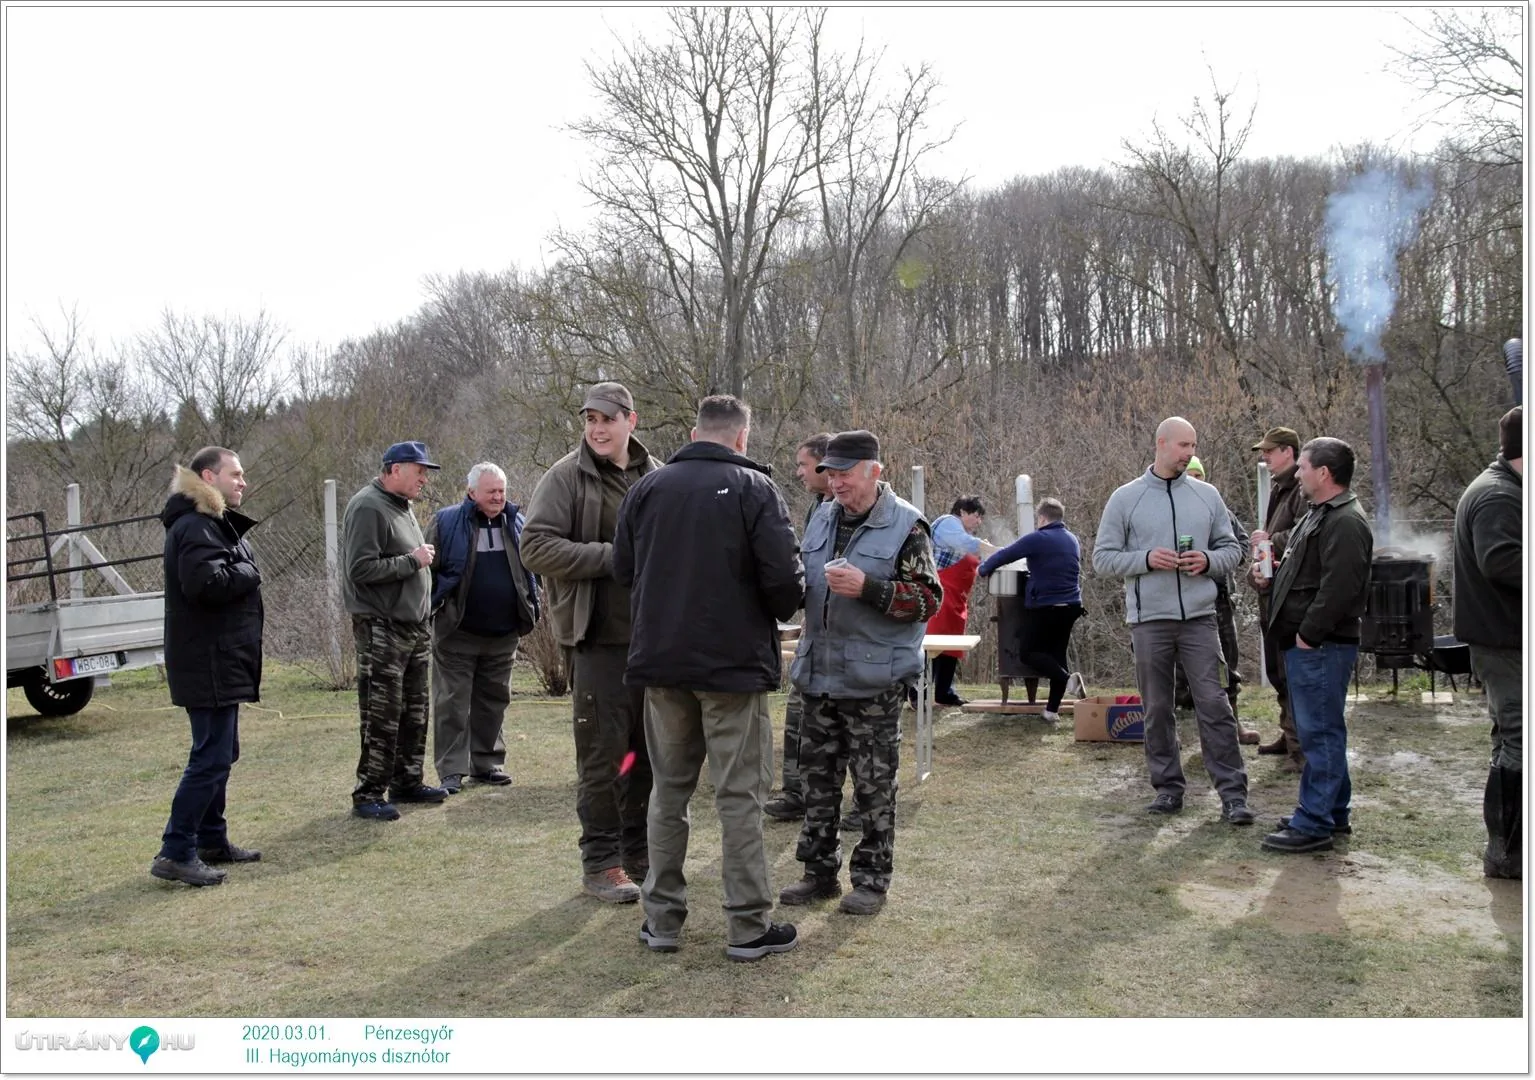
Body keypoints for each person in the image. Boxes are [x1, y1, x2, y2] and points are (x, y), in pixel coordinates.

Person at [614, 395, 805, 960]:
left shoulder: (646, 489)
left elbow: (623, 570)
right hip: (733, 669)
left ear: (695, 434)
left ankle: (661, 920)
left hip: (661, 664)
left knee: (667, 792)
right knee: (739, 797)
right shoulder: (756, 490)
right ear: (742, 438)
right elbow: (785, 585)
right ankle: (747, 925)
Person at [780, 430, 943, 916]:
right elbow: (804, 582)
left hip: (874, 681)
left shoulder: (908, 527)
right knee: (817, 782)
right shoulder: (821, 516)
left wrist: (870, 588)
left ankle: (871, 880)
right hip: (818, 674)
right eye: (830, 473)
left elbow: (928, 601)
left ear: (875, 471)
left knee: (873, 786)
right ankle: (818, 873)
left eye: (845, 473)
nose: (836, 483)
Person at [521, 381, 658, 903]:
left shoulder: (655, 474)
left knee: (644, 755)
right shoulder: (565, 477)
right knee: (604, 756)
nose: (597, 429)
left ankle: (639, 853)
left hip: (651, 641)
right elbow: (535, 547)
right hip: (596, 641)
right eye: (590, 420)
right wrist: (611, 557)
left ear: (631, 421)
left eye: (607, 419)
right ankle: (601, 862)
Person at [1092, 416, 1255, 825]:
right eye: (1184, 445)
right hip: (1149, 621)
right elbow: (1102, 560)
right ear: (1161, 444)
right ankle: (1168, 789)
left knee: (1214, 704)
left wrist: (1209, 561)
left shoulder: (1207, 496)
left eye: (1194, 446)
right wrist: (1146, 559)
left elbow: (1233, 549)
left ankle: (1233, 796)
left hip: (1200, 619)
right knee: (1158, 708)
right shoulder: (1125, 498)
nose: (1190, 453)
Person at [151, 447, 265, 887]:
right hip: (208, 661)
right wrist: (249, 571)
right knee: (209, 757)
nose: (243, 482)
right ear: (208, 477)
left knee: (221, 753)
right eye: (235, 474)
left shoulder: (211, 523)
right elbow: (206, 584)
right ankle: (176, 850)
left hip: (220, 658)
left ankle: (211, 839)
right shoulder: (196, 525)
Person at [1259, 437, 1372, 854]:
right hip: (1310, 644)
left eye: (1304, 467)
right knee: (1322, 729)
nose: (1299, 473)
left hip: (1322, 646)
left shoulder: (1345, 521)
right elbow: (1305, 567)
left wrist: (1308, 635)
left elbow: (1339, 588)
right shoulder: (1319, 513)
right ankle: (1333, 811)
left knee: (1319, 734)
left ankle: (1314, 821)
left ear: (1323, 473)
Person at [343, 441, 450, 821]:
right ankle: (369, 792)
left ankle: (407, 781)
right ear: (395, 469)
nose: (424, 479)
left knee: (414, 710)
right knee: (382, 713)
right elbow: (360, 569)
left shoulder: (401, 506)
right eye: (419, 471)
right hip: (382, 628)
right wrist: (412, 561)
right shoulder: (368, 507)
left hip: (413, 627)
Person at [426, 462, 540, 795]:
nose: (498, 497)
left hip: (504, 634)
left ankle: (487, 765)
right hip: (457, 633)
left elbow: (533, 571)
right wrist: (433, 609)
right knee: (452, 705)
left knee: (494, 702)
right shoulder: (445, 522)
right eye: (491, 491)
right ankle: (451, 771)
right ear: (471, 492)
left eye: (502, 491)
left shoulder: (517, 522)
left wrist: (532, 604)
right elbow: (427, 573)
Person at [1453, 406, 1522, 879]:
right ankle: (1507, 854)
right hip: (1504, 643)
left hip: (1507, 639)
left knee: (1511, 740)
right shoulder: (1497, 496)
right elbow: (1500, 561)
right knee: (1519, 742)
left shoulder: (1507, 489)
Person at [764, 433, 833, 822]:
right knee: (797, 713)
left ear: (825, 464)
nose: (799, 472)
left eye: (803, 465)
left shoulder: (858, 509)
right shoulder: (816, 507)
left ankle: (857, 803)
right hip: (813, 633)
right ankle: (795, 793)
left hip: (846, 640)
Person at [979, 498, 1084, 723]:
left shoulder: (1038, 538)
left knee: (1027, 653)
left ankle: (1067, 680)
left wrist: (983, 569)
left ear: (1042, 518)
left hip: (1047, 605)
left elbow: (1006, 554)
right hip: (1072, 606)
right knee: (1057, 655)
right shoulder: (1071, 539)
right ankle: (1052, 710)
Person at [1179, 456, 1258, 745]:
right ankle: (1176, 733)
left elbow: (1242, 544)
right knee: (1177, 669)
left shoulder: (1218, 507)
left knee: (1227, 663)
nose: (1194, 481)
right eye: (1188, 475)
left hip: (1219, 598)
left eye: (1198, 475)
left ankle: (1234, 726)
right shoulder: (1168, 509)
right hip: (1178, 598)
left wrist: (1215, 560)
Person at [1247, 426, 1310, 772]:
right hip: (1273, 594)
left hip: (1291, 596)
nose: (1265, 457)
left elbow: (1304, 533)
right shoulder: (1281, 488)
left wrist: (1268, 540)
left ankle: (1300, 751)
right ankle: (1289, 737)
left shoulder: (1301, 488)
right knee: (1278, 672)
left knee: (1291, 673)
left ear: (1289, 451)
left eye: (1270, 451)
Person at [927, 497, 998, 706]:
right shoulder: (948, 523)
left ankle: (944, 693)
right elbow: (966, 543)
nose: (978, 521)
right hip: (939, 594)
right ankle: (916, 693)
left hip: (957, 599)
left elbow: (980, 560)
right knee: (932, 645)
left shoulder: (967, 535)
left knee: (951, 646)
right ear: (962, 512)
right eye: (976, 516)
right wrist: (993, 549)